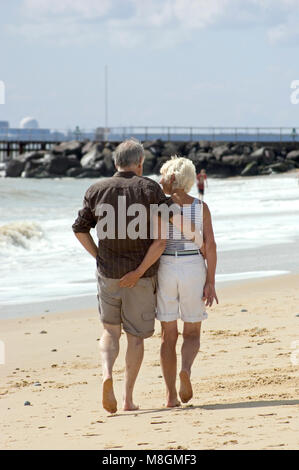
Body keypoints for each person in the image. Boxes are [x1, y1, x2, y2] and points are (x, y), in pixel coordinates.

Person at [72, 140, 201, 414]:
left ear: (115, 162)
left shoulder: (96, 189)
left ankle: (107, 374)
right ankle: (128, 398)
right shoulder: (148, 188)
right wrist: (196, 237)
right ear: (140, 162)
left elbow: (80, 229)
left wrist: (98, 256)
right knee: (135, 337)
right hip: (141, 277)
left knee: (109, 331)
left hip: (108, 274)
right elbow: (165, 234)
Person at [157, 157, 217, 407]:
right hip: (193, 266)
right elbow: (211, 245)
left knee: (167, 336)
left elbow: (156, 243)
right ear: (191, 180)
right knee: (192, 331)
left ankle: (170, 395)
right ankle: (186, 371)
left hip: (167, 266)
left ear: (169, 178)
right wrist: (211, 280)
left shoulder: (161, 207)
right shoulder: (201, 207)